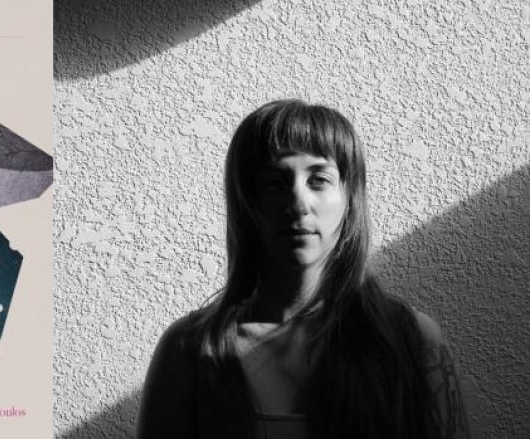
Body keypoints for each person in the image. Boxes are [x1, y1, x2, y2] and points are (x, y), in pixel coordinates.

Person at [136, 100, 470, 439]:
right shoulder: (190, 351)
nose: (298, 202)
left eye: (319, 179)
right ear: (247, 202)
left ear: (349, 197)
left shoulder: (411, 340)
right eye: (275, 183)